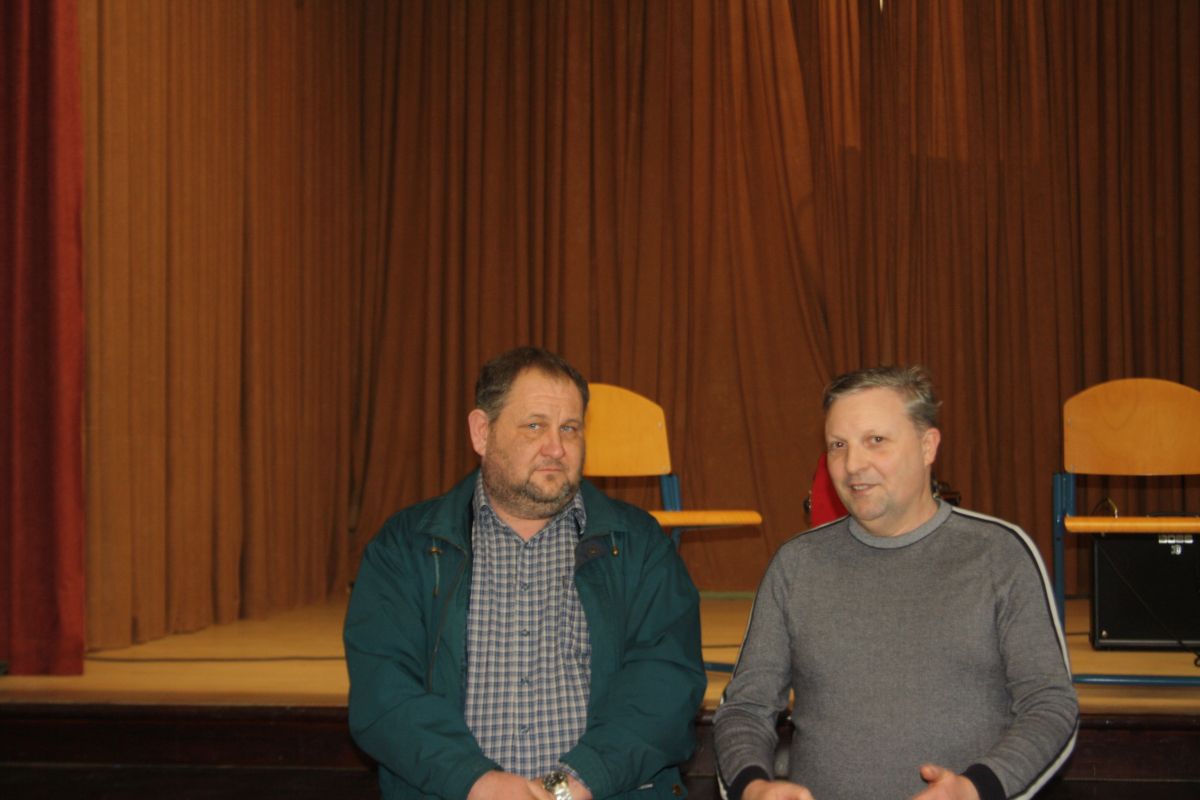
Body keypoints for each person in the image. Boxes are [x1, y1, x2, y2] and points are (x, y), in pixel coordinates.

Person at [344, 346, 706, 800]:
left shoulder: (638, 545)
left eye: (570, 428)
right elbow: (384, 692)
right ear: (482, 431)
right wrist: (477, 782)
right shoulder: (408, 547)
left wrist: (570, 786)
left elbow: (666, 681)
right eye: (535, 426)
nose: (556, 448)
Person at [713, 365, 1078, 800]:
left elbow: (1050, 705)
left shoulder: (999, 554)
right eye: (838, 445)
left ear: (928, 446)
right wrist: (752, 788)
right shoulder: (796, 564)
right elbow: (745, 709)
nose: (852, 465)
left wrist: (976, 789)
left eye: (876, 440)